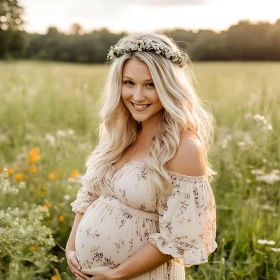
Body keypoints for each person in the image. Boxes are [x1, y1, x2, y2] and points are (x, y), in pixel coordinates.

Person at [66, 32, 217, 280]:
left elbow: (178, 236)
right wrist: (72, 248)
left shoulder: (184, 147)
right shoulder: (120, 135)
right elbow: (90, 195)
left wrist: (117, 274)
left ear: (169, 87)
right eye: (129, 83)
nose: (137, 96)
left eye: (151, 85)